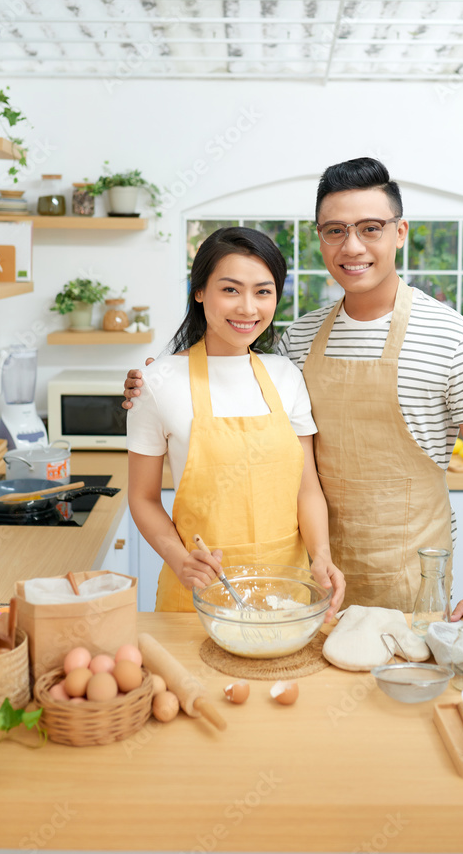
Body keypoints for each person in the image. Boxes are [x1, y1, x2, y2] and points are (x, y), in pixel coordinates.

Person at [125, 158, 463, 634]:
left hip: (408, 574)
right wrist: (157, 379)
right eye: (335, 230)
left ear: (400, 232)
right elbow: (231, 369)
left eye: (371, 228)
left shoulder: (453, 338)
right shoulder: (299, 339)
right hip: (308, 581)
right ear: (320, 238)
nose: (352, 246)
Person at [127, 225, 345, 617]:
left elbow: (306, 489)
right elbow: (142, 498)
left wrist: (322, 555)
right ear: (199, 292)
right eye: (230, 289)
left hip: (287, 592)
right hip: (198, 595)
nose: (248, 308)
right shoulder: (157, 382)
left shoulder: (285, 376)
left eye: (263, 291)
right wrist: (179, 560)